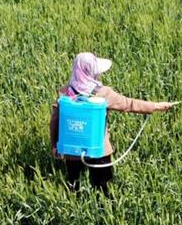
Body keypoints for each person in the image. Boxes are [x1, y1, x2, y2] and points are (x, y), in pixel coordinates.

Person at [50, 52, 172, 196]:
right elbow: (130, 104)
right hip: (99, 150)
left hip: (72, 151)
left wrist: (54, 145)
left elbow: (54, 122)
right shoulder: (103, 93)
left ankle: (75, 207)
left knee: (73, 184)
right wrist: (156, 106)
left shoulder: (64, 93)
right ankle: (105, 211)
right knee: (103, 187)